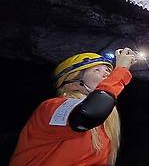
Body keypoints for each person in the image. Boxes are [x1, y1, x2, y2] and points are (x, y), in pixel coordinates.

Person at [10, 48, 138, 166]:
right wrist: (120, 71)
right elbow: (87, 115)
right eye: (97, 70)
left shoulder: (106, 124)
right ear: (74, 84)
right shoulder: (51, 107)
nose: (107, 74)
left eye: (109, 71)